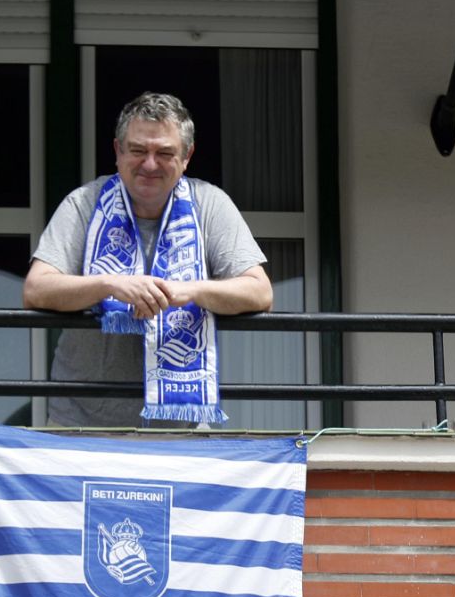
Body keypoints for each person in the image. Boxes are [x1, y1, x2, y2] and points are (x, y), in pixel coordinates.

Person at [23, 91, 272, 427]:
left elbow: (259, 292)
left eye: (165, 153)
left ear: (187, 157)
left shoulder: (210, 204)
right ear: (117, 151)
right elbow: (37, 289)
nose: (150, 164)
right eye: (138, 150)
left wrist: (191, 291)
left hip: (180, 429)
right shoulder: (83, 203)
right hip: (80, 424)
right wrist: (110, 283)